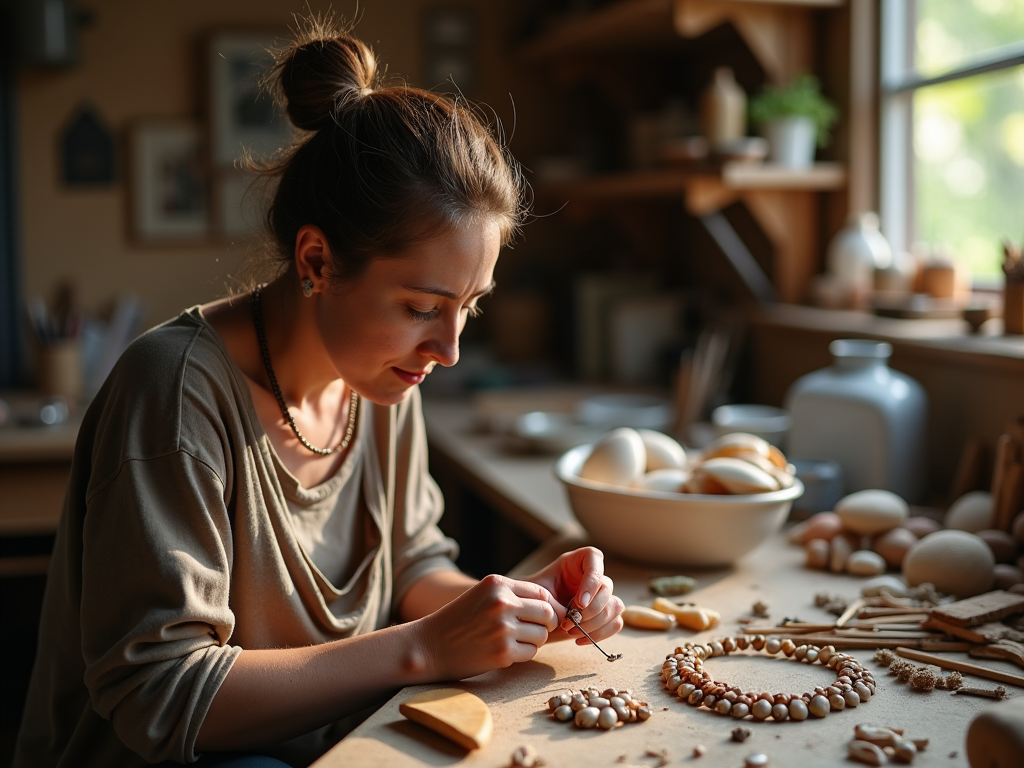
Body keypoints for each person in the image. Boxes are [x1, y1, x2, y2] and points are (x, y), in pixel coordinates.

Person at [13, 19, 624, 768]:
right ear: (317, 261)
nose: (450, 348)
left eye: (470, 305)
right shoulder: (173, 394)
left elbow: (411, 566)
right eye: (422, 306)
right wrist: (429, 647)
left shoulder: (383, 377)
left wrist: (512, 609)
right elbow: (162, 695)